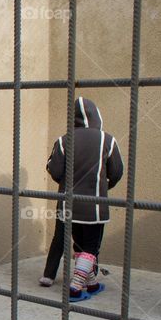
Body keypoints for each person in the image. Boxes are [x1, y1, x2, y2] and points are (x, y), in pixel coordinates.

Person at [44, 96, 124, 301]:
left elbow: (53, 169)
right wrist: (105, 186)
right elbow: (117, 171)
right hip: (95, 206)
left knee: (79, 245)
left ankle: (93, 284)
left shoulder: (63, 140)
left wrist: (64, 183)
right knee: (90, 246)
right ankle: (76, 287)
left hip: (68, 204)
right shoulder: (108, 139)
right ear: (97, 115)